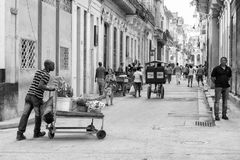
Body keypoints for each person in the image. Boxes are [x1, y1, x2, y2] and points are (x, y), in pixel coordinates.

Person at [16, 60, 55, 141]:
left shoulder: (38, 72)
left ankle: (19, 134)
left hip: (29, 96)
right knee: (38, 115)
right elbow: (40, 85)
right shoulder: (46, 75)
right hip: (36, 98)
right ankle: (36, 133)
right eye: (52, 65)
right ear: (47, 66)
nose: (54, 66)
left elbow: (37, 83)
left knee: (25, 114)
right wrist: (50, 88)